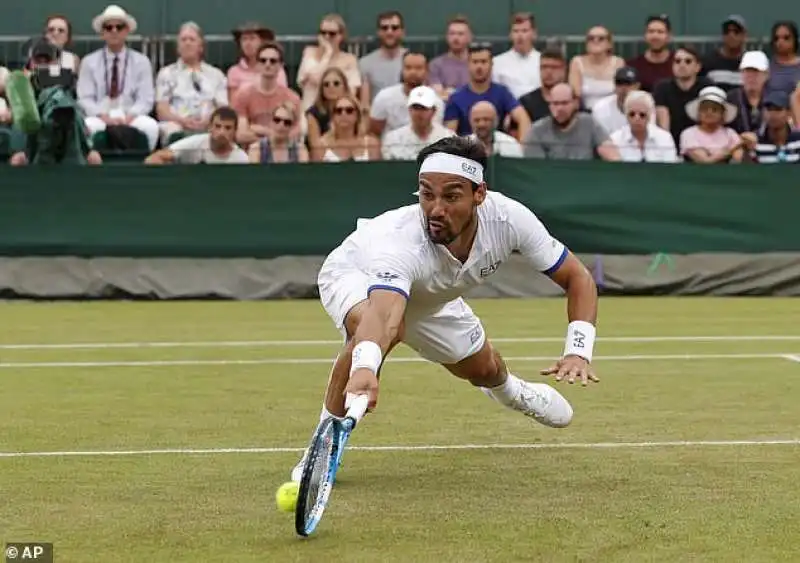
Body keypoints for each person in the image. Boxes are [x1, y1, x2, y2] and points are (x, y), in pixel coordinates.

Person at [290, 136, 599, 482]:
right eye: (426, 194)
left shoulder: (510, 220)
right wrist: (365, 367)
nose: (436, 208)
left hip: (430, 298)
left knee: (486, 369)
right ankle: (322, 450)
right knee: (377, 330)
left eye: (451, 196)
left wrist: (578, 351)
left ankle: (514, 394)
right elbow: (384, 316)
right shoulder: (399, 242)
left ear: (479, 194)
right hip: (356, 276)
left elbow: (578, 277)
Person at [144, 106, 248, 165]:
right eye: (217, 126)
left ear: (235, 131)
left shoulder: (241, 159)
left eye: (228, 128)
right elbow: (153, 159)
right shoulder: (194, 143)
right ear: (210, 128)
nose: (222, 132)